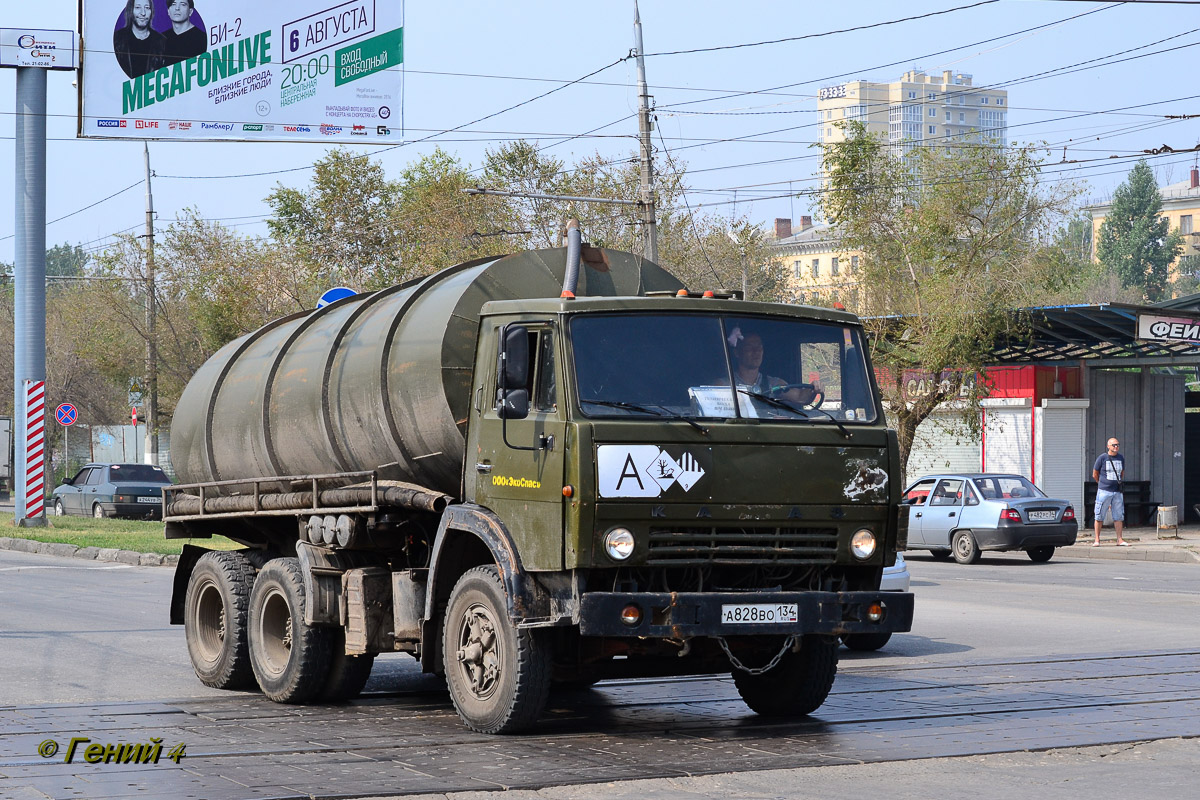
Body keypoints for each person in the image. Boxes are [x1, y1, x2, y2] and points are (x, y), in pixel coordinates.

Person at [729, 331, 818, 407]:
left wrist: (814, 389)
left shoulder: (774, 384)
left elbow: (800, 397)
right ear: (737, 353)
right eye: (749, 347)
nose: (756, 351)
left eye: (759, 347)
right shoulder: (725, 385)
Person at [113, 0, 166, 79]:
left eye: (147, 8)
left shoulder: (162, 42)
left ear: (151, 12)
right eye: (138, 7)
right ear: (131, 10)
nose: (143, 13)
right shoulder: (118, 39)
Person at [1092, 437, 1128, 546]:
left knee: (1118, 515)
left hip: (1117, 491)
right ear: (1108, 446)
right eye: (1114, 445)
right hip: (1104, 490)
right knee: (1099, 515)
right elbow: (1095, 474)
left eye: (1117, 445)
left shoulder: (1121, 458)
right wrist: (1101, 484)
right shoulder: (1102, 458)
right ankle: (1097, 539)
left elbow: (1122, 473)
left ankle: (1119, 539)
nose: (1116, 447)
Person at [163, 0, 206, 66]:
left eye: (183, 4)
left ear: (190, 11)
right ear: (168, 11)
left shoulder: (202, 38)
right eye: (173, 4)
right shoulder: (161, 39)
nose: (177, 8)